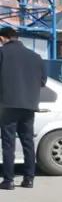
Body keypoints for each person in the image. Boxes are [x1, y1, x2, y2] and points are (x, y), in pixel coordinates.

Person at [0, 26, 48, 190]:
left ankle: (8, 180)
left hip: (8, 105)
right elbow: (42, 82)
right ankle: (29, 179)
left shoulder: (2, 53)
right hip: (29, 106)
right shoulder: (35, 57)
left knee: (8, 143)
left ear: (2, 38)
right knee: (28, 142)